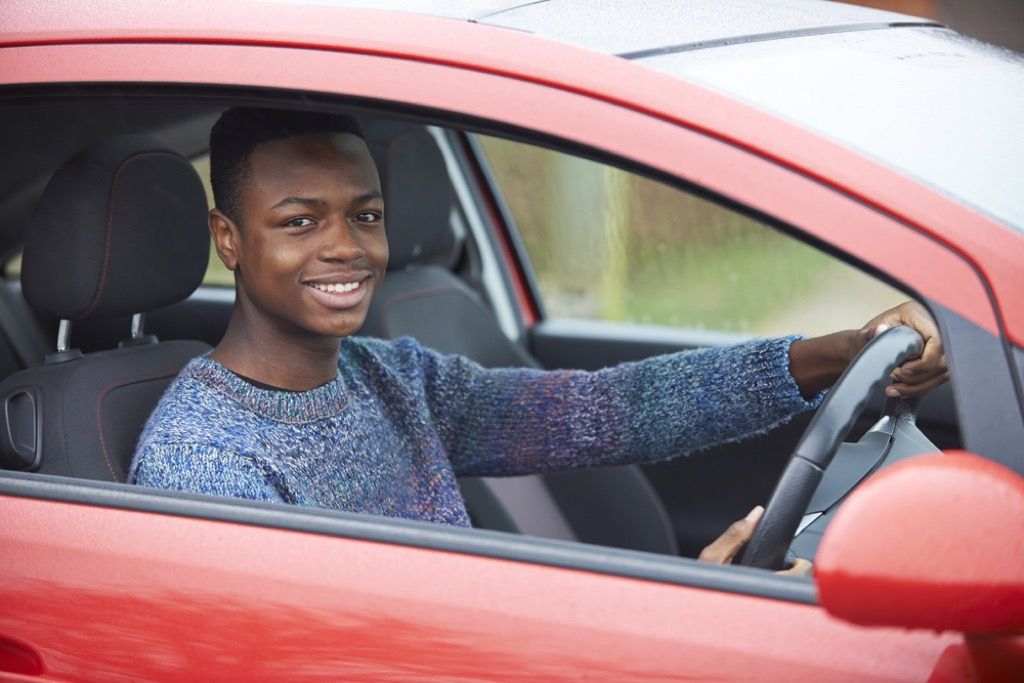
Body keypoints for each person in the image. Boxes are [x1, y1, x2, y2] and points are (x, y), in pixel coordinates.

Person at [128, 107, 948, 570]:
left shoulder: (391, 378)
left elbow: (606, 411)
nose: (347, 247)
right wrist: (677, 619)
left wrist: (836, 352)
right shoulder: (205, 461)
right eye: (301, 221)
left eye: (365, 215)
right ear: (229, 239)